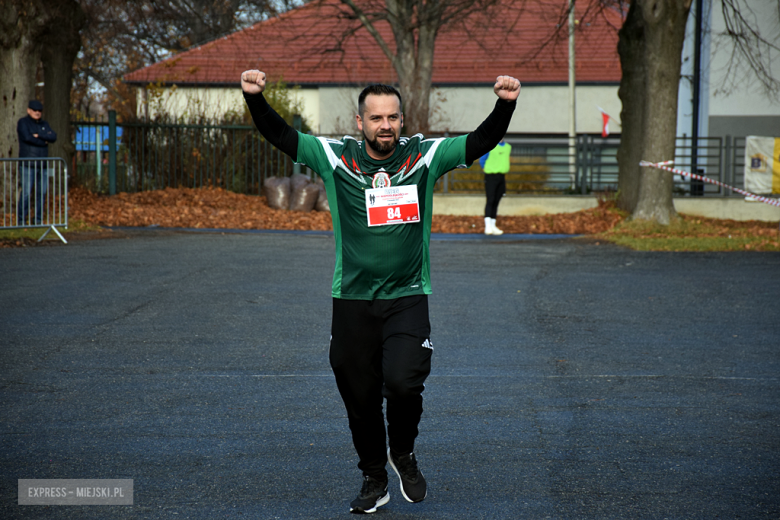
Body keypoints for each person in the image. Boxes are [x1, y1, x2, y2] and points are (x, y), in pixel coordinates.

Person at [241, 70, 520, 514]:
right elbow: (281, 135)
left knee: (404, 385)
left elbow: (477, 142)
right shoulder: (336, 157)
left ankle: (403, 452)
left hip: (408, 295)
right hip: (352, 299)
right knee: (360, 397)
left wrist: (505, 105)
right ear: (360, 121)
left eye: (392, 117)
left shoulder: (424, 156)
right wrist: (254, 98)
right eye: (376, 118)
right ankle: (374, 478)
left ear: (402, 119)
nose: (385, 125)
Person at [17, 100, 57, 225]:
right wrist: (43, 140)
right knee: (27, 193)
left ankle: (38, 220)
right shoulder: (23, 122)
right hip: (28, 163)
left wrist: (38, 135)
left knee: (42, 193)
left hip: (43, 164)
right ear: (29, 110)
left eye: (39, 111)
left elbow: (53, 137)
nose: (37, 113)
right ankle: (21, 220)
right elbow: (27, 138)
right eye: (35, 110)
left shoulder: (44, 124)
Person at [480, 139, 512, 235]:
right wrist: (486, 169)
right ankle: (487, 226)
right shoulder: (490, 146)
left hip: (501, 176)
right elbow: (482, 160)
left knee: (497, 200)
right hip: (491, 176)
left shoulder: (508, 147)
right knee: (490, 199)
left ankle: (493, 225)